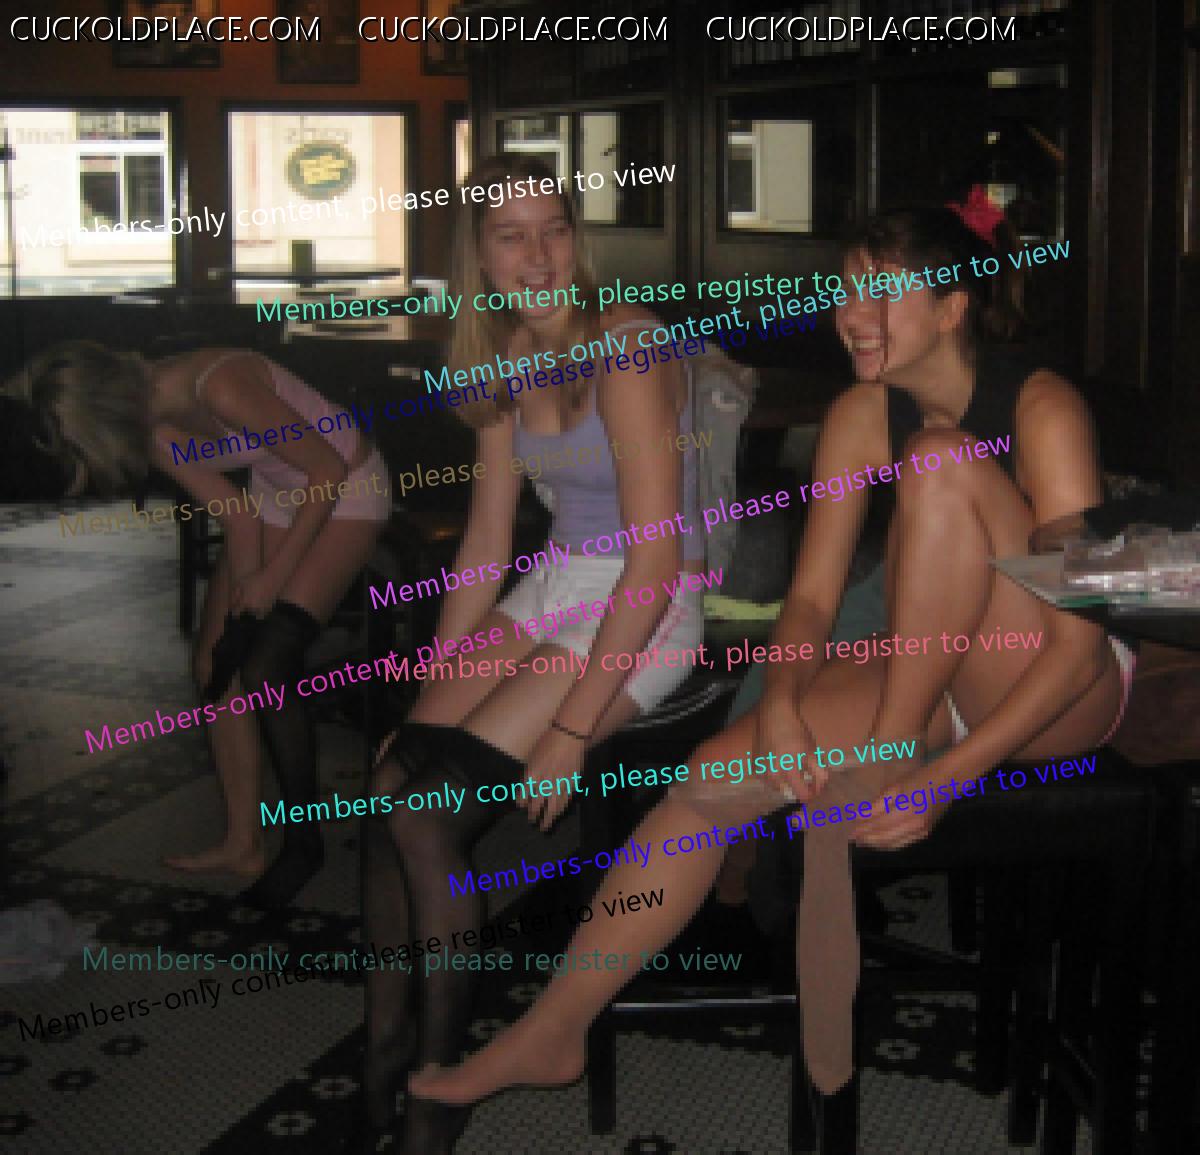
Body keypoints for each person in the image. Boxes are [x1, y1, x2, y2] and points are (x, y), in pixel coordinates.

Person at [407, 194, 1135, 1111]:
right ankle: (555, 1030)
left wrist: (944, 779)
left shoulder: (1042, 407)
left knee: (940, 462)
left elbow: (1075, 648)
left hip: (1058, 691)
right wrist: (783, 703)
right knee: (702, 786)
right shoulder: (859, 413)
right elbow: (814, 599)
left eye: (880, 293)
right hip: (932, 680)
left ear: (953, 306)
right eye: (847, 291)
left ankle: (889, 748)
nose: (851, 316)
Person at [360, 153, 709, 1154]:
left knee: (426, 816)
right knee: (387, 782)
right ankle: (382, 1047)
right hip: (556, 580)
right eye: (511, 235)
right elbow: (485, 538)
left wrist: (571, 726)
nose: (540, 254)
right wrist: (439, 681)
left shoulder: (627, 349)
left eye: (554, 228)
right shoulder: (508, 351)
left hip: (644, 602)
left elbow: (656, 558)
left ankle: (435, 1096)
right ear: (477, 253)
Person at [12, 341, 389, 907]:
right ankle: (242, 842)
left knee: (267, 665)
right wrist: (246, 595)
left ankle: (303, 844)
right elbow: (236, 514)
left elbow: (327, 470)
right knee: (217, 664)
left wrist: (268, 581)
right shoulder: (152, 422)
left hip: (347, 489)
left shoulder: (220, 385)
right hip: (276, 496)